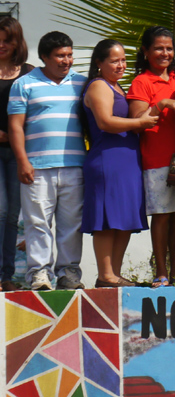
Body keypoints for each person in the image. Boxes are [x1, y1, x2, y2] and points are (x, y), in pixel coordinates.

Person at [8, 31, 86, 291]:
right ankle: (39, 275)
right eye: (60, 56)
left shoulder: (82, 83)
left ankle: (68, 273)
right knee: (37, 223)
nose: (66, 60)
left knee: (71, 224)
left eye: (69, 55)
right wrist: (22, 161)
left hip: (75, 165)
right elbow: (16, 127)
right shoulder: (24, 83)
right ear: (44, 57)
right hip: (37, 167)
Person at [80, 39, 156, 287]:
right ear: (99, 62)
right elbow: (105, 122)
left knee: (123, 218)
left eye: (123, 60)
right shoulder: (99, 86)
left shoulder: (119, 87)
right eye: (114, 60)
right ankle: (105, 274)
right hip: (107, 161)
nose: (120, 65)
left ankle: (114, 273)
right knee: (106, 220)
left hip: (128, 161)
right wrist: (139, 124)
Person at [127, 26, 175, 288]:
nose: (165, 53)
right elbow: (137, 120)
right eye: (158, 48)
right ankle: (160, 272)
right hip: (156, 157)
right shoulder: (141, 81)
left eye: (169, 48)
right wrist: (161, 104)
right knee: (162, 216)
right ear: (145, 51)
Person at [0, 17, 33, 290]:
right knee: (0, 211)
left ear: (17, 41)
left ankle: (6, 276)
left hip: (19, 153)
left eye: (7, 40)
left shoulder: (30, 73)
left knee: (13, 215)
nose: (2, 45)